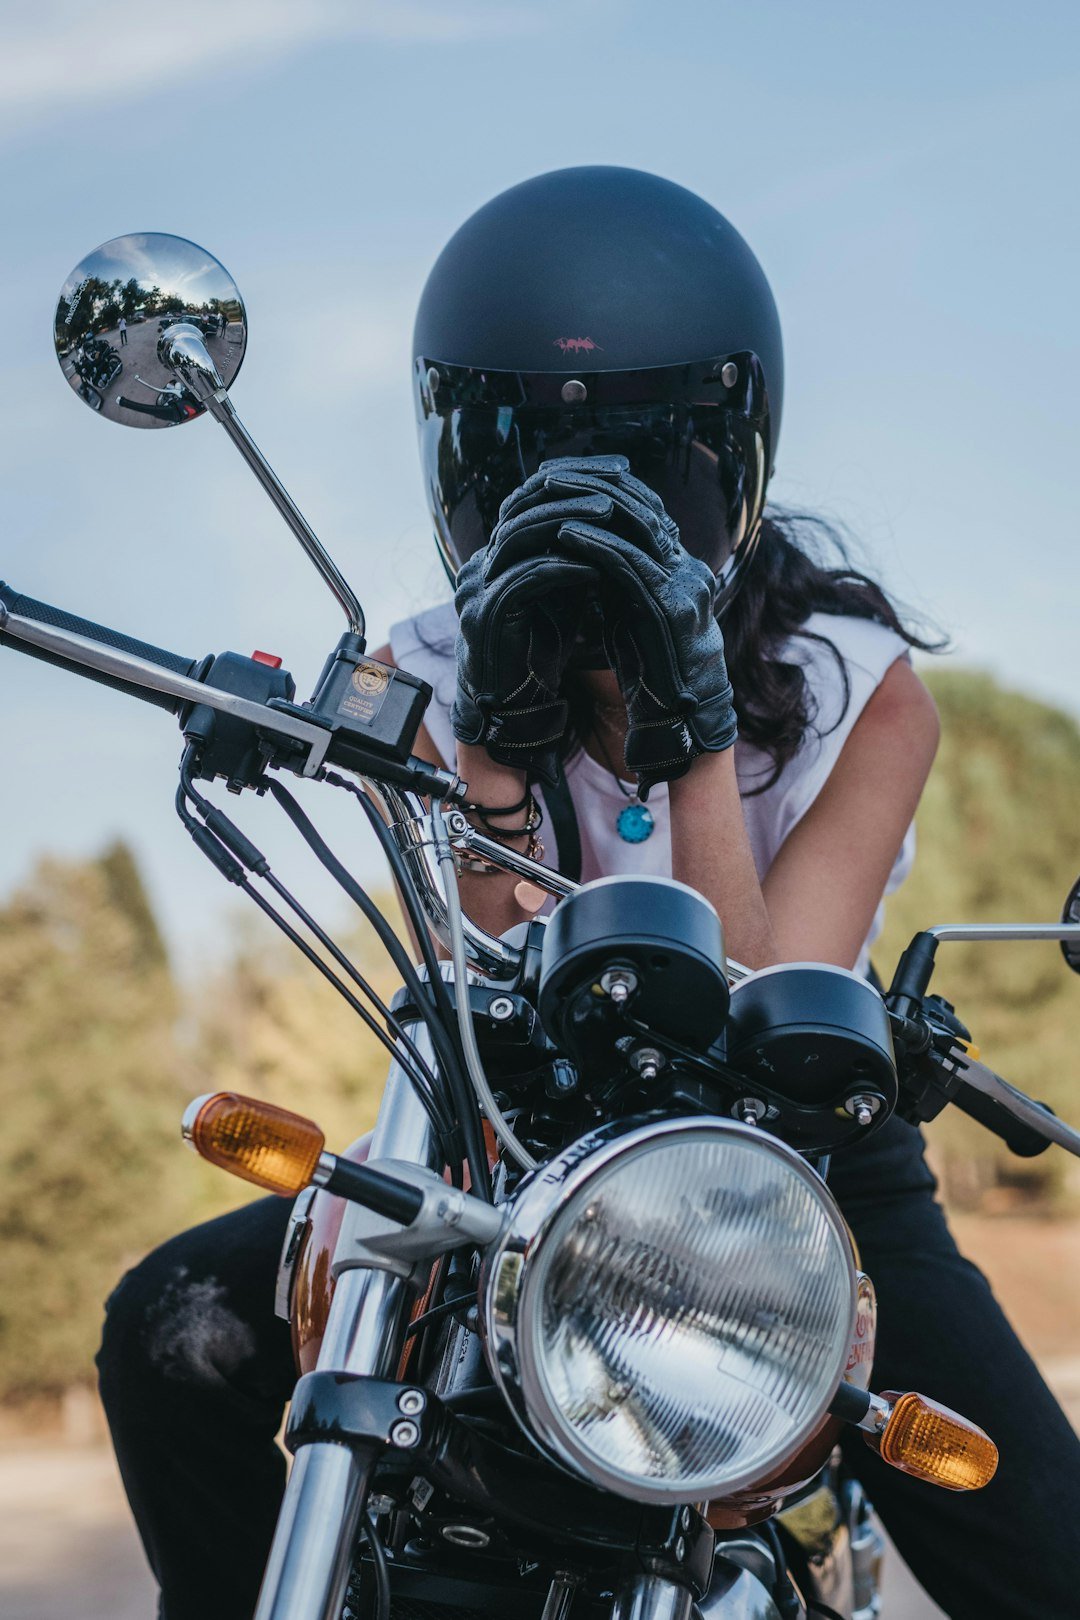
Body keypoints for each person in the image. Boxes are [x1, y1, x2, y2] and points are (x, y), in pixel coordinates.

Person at [96, 167, 1080, 1620]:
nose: (588, 507)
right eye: (527, 458)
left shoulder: (858, 691)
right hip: (512, 1124)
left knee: (1042, 1553)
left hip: (789, 1147)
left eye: (647, 464)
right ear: (458, 458)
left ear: (726, 460)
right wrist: (503, 715)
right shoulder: (416, 678)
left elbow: (748, 1016)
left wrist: (688, 725)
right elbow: (492, 948)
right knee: (169, 1334)